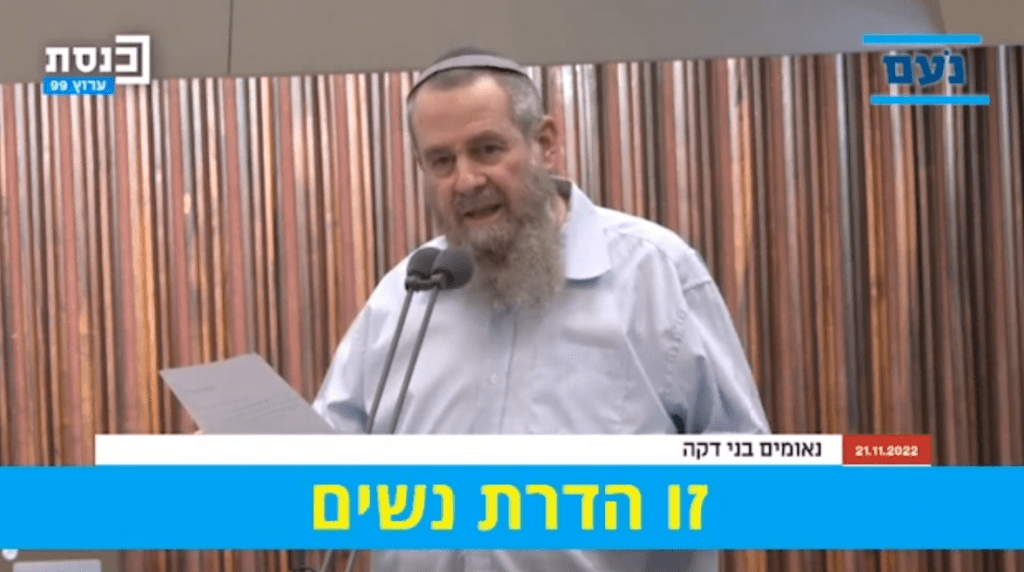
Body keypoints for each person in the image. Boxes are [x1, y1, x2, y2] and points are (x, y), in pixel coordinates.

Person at [311, 47, 770, 572]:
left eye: (487, 149)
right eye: (442, 161)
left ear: (545, 143)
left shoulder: (656, 273)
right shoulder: (407, 292)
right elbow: (326, 468)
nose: (466, 180)